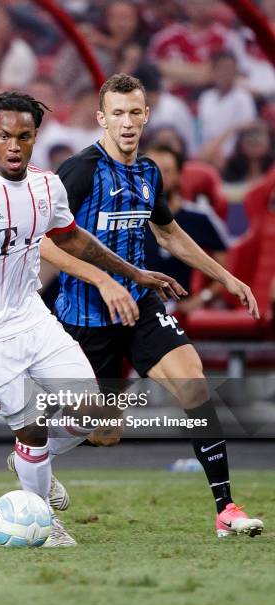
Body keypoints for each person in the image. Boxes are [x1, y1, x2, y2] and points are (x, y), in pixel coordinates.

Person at [0, 91, 183, 547]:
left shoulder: (46, 186)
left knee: (96, 414)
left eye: (25, 136)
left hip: (33, 320)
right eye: (5, 135)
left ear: (36, 137)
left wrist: (134, 273)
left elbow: (72, 239)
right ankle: (44, 522)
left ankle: (33, 461)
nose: (14, 145)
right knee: (31, 421)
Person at [40, 73, 263, 538]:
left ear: (146, 116)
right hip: (84, 318)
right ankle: (34, 453)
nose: (127, 122)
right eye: (117, 113)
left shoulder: (149, 171)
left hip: (138, 305)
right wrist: (102, 280)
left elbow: (167, 231)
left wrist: (226, 276)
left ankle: (225, 509)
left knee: (195, 386)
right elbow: (43, 241)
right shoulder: (80, 171)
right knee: (101, 431)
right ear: (101, 118)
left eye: (135, 112)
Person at [144, 144, 230, 315]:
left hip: (180, 308)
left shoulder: (200, 217)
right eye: (152, 170)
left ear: (178, 175)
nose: (158, 177)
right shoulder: (128, 216)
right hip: (136, 304)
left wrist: (202, 298)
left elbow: (227, 270)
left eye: (166, 171)